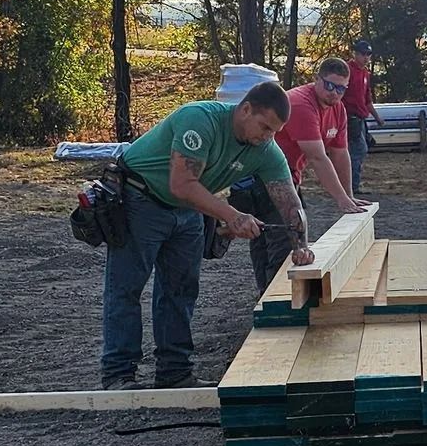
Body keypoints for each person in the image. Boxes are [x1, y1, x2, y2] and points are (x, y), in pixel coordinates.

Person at [102, 83, 312, 388]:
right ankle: (118, 376)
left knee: (180, 289)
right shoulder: (199, 120)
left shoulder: (265, 149)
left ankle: (174, 373)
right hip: (141, 198)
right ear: (245, 109)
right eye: (264, 126)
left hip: (187, 210)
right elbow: (182, 184)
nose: (268, 136)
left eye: (275, 131)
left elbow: (290, 204)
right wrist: (231, 215)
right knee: (126, 287)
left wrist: (301, 246)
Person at [253, 55, 372, 291]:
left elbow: (340, 153)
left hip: (289, 176)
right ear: (316, 79)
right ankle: (277, 299)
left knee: (273, 236)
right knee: (286, 239)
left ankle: (267, 295)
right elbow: (319, 157)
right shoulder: (300, 104)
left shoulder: (338, 109)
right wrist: (341, 201)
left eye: (341, 88)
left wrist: (348, 195)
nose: (334, 93)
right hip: (264, 178)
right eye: (329, 85)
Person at [344, 38, 378, 194]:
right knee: (358, 150)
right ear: (355, 54)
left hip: (361, 118)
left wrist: (377, 117)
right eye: (363, 54)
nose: (366, 57)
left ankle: (351, 184)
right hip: (350, 117)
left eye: (368, 54)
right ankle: (352, 185)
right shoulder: (347, 70)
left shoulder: (365, 73)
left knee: (357, 150)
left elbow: (367, 99)